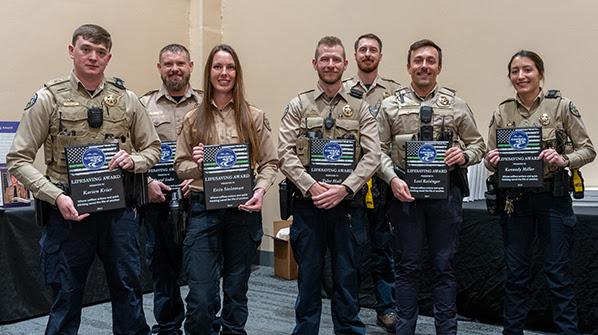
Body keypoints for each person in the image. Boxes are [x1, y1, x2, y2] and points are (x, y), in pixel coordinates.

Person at [6, 24, 160, 335]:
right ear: (71, 51)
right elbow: (18, 159)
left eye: (100, 52)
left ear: (109, 57)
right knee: (67, 294)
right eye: (86, 49)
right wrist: (56, 197)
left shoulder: (127, 98)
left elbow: (153, 148)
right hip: (69, 211)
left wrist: (134, 160)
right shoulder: (48, 98)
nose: (93, 57)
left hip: (118, 210)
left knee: (128, 291)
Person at [377, 39, 486, 334]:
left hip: (445, 197)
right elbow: (377, 151)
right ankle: (404, 329)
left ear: (439, 66)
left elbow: (479, 146)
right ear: (408, 66)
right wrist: (393, 179)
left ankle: (446, 331)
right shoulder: (390, 106)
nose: (424, 66)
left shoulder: (456, 104)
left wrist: (463, 155)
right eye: (418, 60)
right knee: (407, 268)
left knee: (444, 267)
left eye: (430, 61)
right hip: (405, 196)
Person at [485, 50, 595, 335]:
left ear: (540, 73)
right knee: (516, 275)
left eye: (527, 70)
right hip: (515, 201)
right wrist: (491, 160)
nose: (521, 76)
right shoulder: (502, 111)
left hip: (552, 198)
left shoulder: (561, 106)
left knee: (557, 274)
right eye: (515, 71)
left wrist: (564, 160)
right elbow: (489, 155)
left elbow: (588, 149)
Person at [278, 36, 381, 335]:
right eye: (325, 59)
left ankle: (348, 329)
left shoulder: (361, 109)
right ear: (315, 63)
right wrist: (312, 187)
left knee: (347, 276)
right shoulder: (298, 105)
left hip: (347, 206)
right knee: (308, 278)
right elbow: (284, 153)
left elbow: (373, 155)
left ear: (345, 64)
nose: (331, 64)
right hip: (308, 206)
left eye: (336, 59)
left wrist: (345, 189)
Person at [174, 44, 278, 335]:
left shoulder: (253, 116)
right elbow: (179, 166)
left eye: (230, 67)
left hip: (241, 213)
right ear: (208, 73)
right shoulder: (193, 118)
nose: (224, 73)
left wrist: (259, 191)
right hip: (203, 211)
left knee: (236, 291)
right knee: (202, 296)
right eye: (217, 67)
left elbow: (270, 162)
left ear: (237, 73)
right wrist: (197, 165)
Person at [139, 43, 201, 335]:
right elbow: (132, 151)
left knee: (203, 269)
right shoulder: (142, 105)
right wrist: (147, 182)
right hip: (157, 199)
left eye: (180, 63)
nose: (174, 69)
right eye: (168, 64)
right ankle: (168, 326)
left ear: (191, 66)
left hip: (199, 199)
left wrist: (200, 179)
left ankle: (204, 324)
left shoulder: (207, 103)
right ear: (159, 68)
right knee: (162, 268)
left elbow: (220, 149)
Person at [343, 32, 400, 332]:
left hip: (382, 184)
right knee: (350, 251)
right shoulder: (340, 91)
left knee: (383, 248)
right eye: (362, 49)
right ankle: (348, 308)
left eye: (373, 50)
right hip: (351, 185)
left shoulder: (394, 92)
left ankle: (386, 308)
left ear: (380, 55)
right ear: (355, 55)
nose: (367, 54)